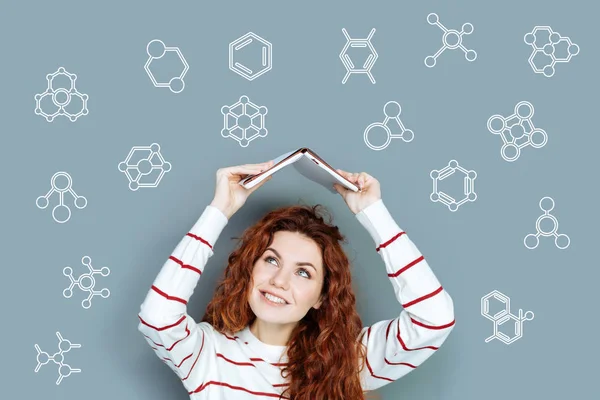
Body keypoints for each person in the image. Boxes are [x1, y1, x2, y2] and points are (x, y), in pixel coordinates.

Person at [137, 160, 456, 400]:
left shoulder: (349, 359)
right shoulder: (207, 353)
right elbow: (157, 318)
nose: (279, 280)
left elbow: (434, 319)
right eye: (271, 260)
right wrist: (221, 208)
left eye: (303, 272)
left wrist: (372, 211)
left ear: (321, 296)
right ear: (250, 269)